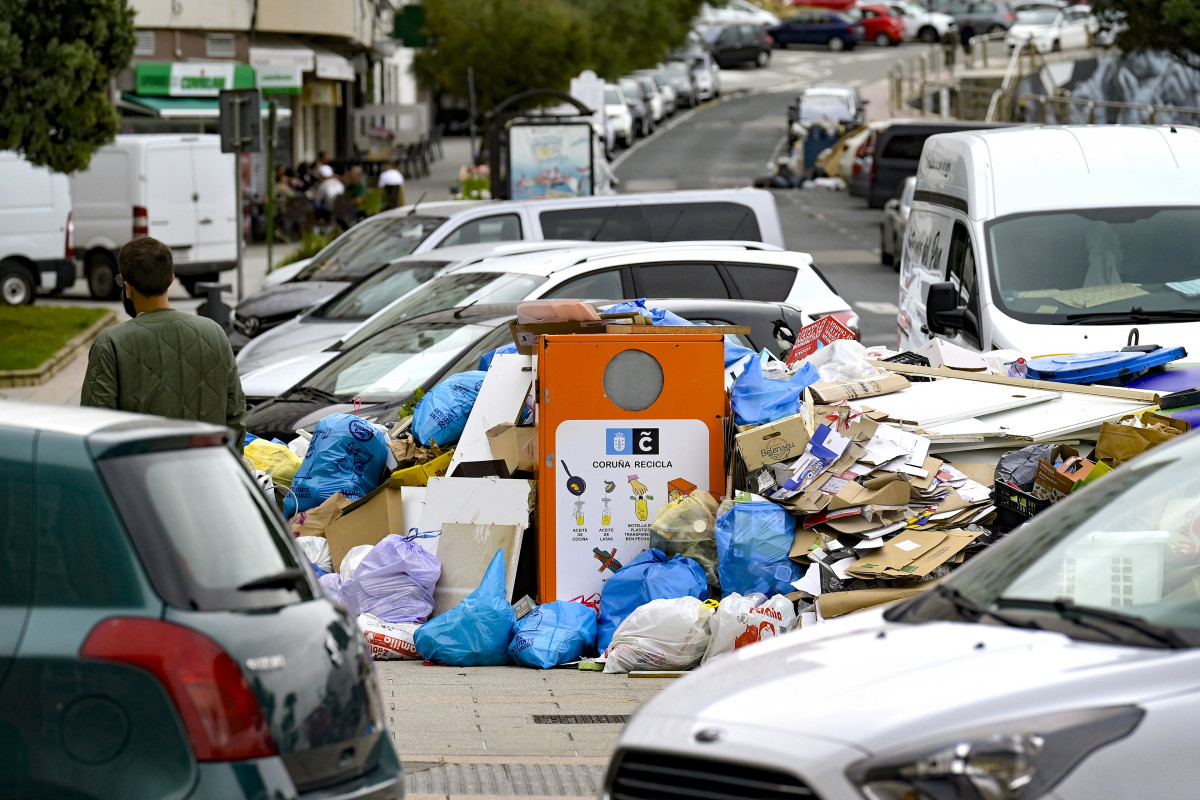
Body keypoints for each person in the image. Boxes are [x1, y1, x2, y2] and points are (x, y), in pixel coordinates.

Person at [81, 236, 246, 445]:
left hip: (140, 475)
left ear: (127, 288)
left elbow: (94, 427)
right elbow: (236, 415)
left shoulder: (110, 344)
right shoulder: (214, 333)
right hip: (208, 471)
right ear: (171, 279)